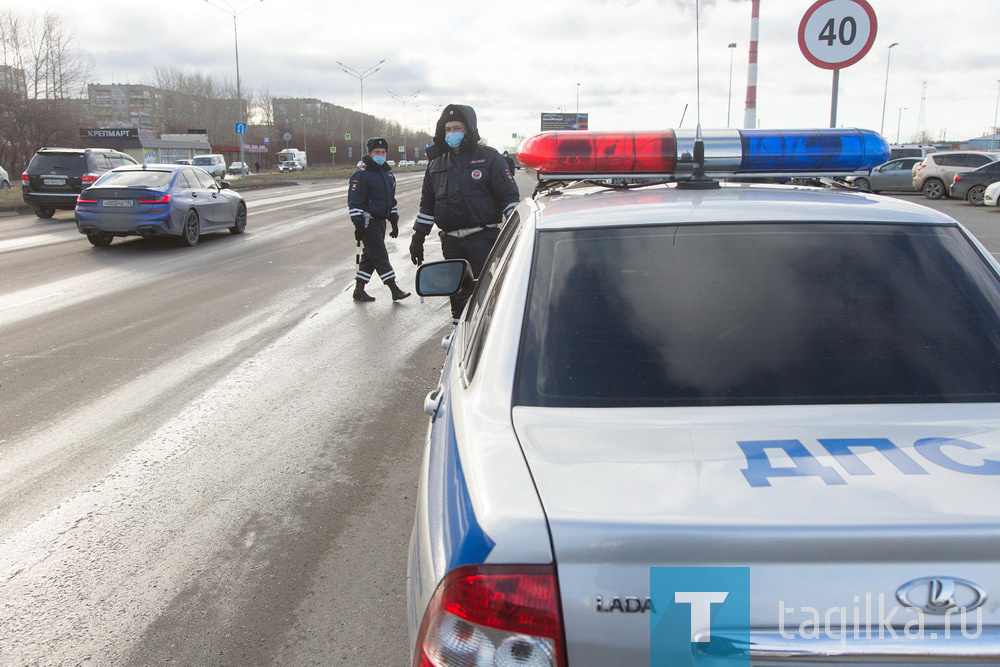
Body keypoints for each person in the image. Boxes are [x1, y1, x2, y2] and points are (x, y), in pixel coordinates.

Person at [409, 104, 519, 324]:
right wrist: (418, 237)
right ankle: (458, 340)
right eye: (447, 129)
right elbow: (427, 205)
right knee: (457, 295)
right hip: (451, 242)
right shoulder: (436, 164)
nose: (451, 134)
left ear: (468, 129)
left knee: (486, 293)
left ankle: (488, 337)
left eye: (456, 128)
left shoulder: (489, 159)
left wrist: (518, 234)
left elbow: (509, 201)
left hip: (482, 239)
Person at [349, 137, 410, 302]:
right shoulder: (361, 175)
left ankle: (359, 290)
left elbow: (390, 200)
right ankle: (394, 288)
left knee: (370, 257)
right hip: (368, 223)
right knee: (381, 256)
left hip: (381, 222)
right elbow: (354, 201)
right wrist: (359, 224)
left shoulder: (387, 174)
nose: (381, 155)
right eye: (377, 152)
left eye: (383, 152)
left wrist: (394, 221)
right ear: (370, 153)